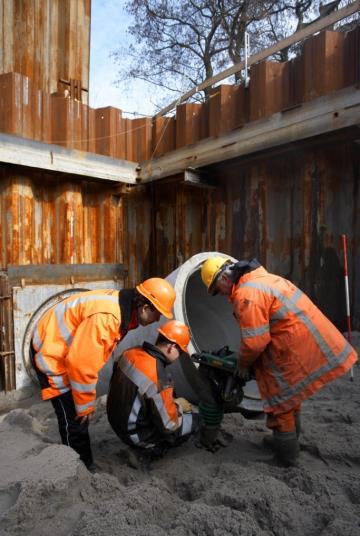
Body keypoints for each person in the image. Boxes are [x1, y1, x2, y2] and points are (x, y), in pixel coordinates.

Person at [200, 256, 358, 466]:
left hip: (291, 349)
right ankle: (288, 441)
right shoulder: (262, 280)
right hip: (302, 341)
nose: (220, 294)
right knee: (291, 399)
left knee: (280, 405)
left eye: (216, 289)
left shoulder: (246, 295)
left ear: (224, 278)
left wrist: (243, 365)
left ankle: (287, 457)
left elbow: (255, 342)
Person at [30, 278, 176, 470]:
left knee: (78, 412)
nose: (157, 320)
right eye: (157, 314)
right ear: (145, 307)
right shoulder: (108, 318)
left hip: (61, 345)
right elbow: (80, 364)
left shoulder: (122, 309)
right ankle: (78, 468)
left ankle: (80, 462)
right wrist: (84, 406)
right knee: (74, 418)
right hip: (52, 352)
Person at [107, 320, 228, 466]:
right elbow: (169, 426)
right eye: (180, 352)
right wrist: (178, 408)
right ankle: (145, 453)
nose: (179, 357)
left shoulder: (130, 352)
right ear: (171, 347)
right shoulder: (160, 378)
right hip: (135, 433)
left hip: (116, 422)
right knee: (193, 421)